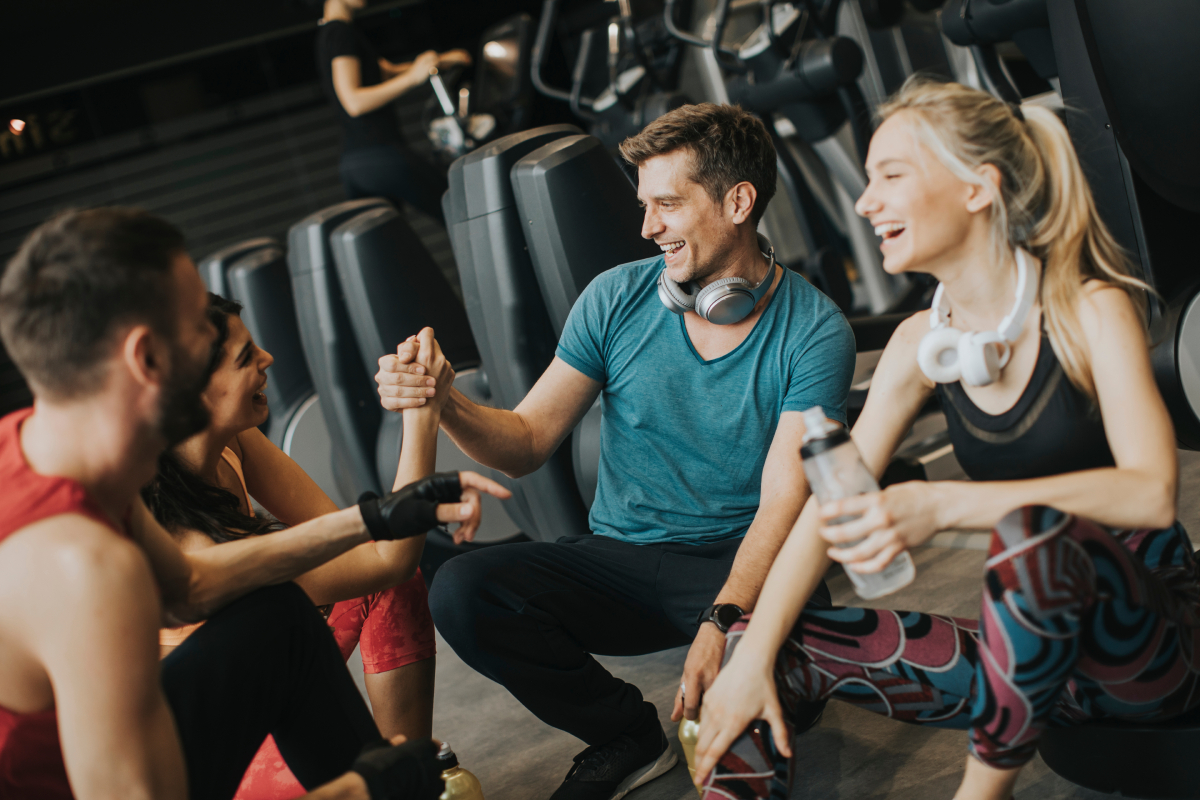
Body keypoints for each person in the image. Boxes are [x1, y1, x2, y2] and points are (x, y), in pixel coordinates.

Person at [694, 77, 1200, 800]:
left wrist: (942, 507)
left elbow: (1150, 493)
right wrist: (748, 647)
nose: (866, 202)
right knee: (761, 642)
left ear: (976, 188)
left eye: (892, 176)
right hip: (1022, 655)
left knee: (1034, 537)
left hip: (1152, 647)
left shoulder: (1090, 307)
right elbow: (826, 509)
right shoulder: (916, 344)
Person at [375, 102, 857, 800]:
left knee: (783, 697)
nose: (647, 226)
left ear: (738, 201)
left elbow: (786, 499)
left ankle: (770, 662)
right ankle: (622, 735)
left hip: (741, 560)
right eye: (643, 204)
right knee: (464, 590)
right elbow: (525, 442)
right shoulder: (616, 298)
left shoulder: (814, 331)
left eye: (667, 203)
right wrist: (446, 400)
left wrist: (725, 619)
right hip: (623, 561)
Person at [0, 207, 501, 800]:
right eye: (200, 328)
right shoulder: (83, 567)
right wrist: (361, 788)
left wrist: (374, 517)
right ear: (148, 360)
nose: (226, 338)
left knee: (279, 617)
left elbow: (187, 585)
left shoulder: (47, 443)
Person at [142, 296, 490, 799]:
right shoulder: (178, 529)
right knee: (345, 585)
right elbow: (384, 554)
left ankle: (403, 777)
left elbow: (363, 549)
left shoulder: (233, 440)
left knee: (388, 589)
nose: (268, 358)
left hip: (267, 658)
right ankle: (385, 781)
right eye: (245, 357)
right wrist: (421, 414)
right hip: (212, 749)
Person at [315, 0, 471, 224]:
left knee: (387, 245)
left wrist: (440, 61)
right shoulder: (340, 32)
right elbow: (354, 102)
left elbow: (385, 71)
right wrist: (412, 79)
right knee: (463, 214)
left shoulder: (332, 31)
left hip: (356, 164)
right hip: (378, 153)